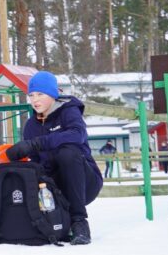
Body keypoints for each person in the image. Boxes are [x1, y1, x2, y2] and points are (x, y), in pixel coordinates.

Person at [6, 71, 102, 245]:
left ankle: (80, 223)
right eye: (31, 95)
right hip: (55, 188)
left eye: (40, 94)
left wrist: (36, 144)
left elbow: (77, 134)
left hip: (85, 182)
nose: (35, 100)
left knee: (68, 153)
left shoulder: (68, 111)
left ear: (52, 94)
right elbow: (36, 163)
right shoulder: (31, 125)